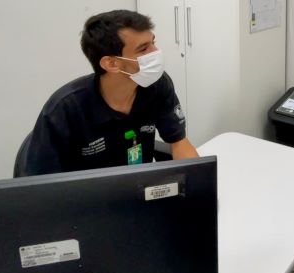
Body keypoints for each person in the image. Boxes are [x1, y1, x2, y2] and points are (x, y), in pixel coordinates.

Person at [20, 9, 198, 176]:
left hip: (136, 193)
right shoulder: (65, 108)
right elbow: (40, 186)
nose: (156, 52)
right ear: (111, 64)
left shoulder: (157, 86)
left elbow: (179, 143)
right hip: (84, 201)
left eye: (153, 42)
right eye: (143, 49)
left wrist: (202, 187)